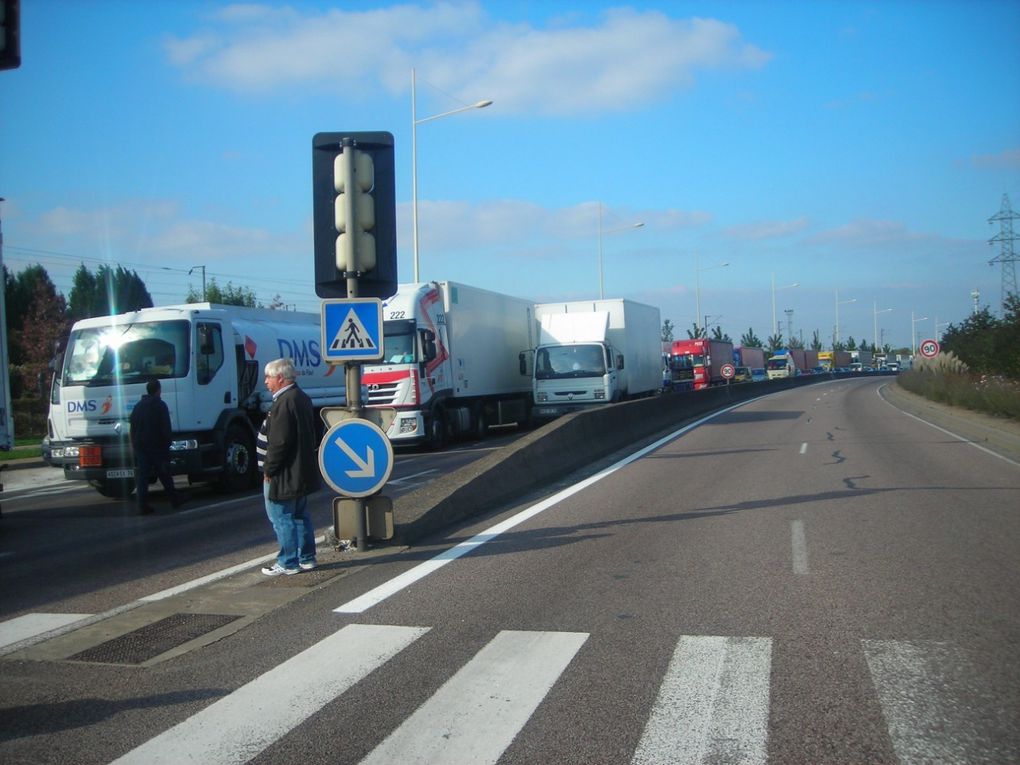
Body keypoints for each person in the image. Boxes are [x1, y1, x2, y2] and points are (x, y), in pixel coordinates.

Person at [260, 357, 321, 576]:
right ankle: (307, 557)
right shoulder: (301, 397)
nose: (266, 382)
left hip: (285, 473)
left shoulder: (284, 402)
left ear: (280, 378)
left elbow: (279, 442)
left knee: (281, 517)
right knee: (300, 515)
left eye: (268, 377)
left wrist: (269, 469)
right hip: (300, 469)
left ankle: (288, 561)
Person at [129, 379, 182, 514]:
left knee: (143, 477)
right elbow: (165, 427)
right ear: (158, 390)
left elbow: (132, 426)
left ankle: (142, 505)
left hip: (141, 446)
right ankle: (174, 501)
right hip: (157, 446)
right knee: (164, 474)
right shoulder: (160, 405)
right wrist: (168, 443)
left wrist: (134, 444)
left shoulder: (138, 406)